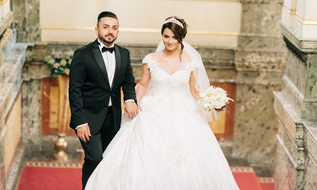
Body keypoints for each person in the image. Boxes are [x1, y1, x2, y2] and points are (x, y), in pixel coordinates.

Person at [85, 16, 240, 190]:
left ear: (181, 38)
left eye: (174, 37)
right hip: (153, 111)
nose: (170, 41)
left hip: (184, 113)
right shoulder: (150, 59)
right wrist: (134, 103)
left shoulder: (191, 61)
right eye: (166, 37)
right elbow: (143, 85)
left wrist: (211, 102)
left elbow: (194, 91)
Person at [69, 11, 138, 189]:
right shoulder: (82, 54)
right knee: (94, 158)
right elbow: (74, 90)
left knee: (109, 160)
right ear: (96, 29)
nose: (110, 31)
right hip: (88, 118)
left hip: (113, 117)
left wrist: (130, 99)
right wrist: (80, 122)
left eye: (114, 28)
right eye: (105, 27)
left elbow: (129, 82)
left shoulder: (124, 53)